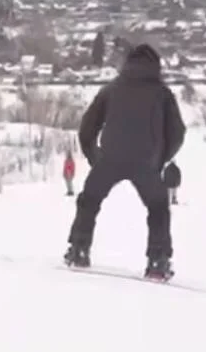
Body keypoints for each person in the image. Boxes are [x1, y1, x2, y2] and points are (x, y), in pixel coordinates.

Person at [65, 44, 186, 280]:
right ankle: (158, 261)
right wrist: (159, 159)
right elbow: (178, 132)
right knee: (158, 209)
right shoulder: (163, 94)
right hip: (146, 162)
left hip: (110, 158)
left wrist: (95, 157)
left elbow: (87, 127)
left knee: (89, 201)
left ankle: (78, 249)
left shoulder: (112, 90)